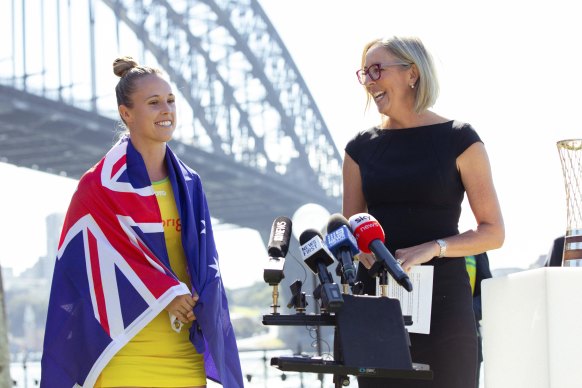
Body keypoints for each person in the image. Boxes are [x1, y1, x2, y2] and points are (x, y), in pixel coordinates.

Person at [40, 57, 243, 387]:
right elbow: (78, 267)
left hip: (183, 355)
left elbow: (206, 265)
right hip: (126, 353)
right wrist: (167, 291)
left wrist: (197, 296)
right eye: (153, 103)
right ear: (126, 113)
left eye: (170, 101)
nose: (166, 110)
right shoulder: (97, 187)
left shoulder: (190, 184)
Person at [342, 36, 504, 388]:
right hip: (380, 304)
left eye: (376, 70)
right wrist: (360, 251)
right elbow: (350, 228)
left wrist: (433, 247)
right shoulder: (358, 149)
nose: (369, 81)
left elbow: (493, 232)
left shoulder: (460, 140)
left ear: (412, 73)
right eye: (364, 73)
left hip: (445, 307)